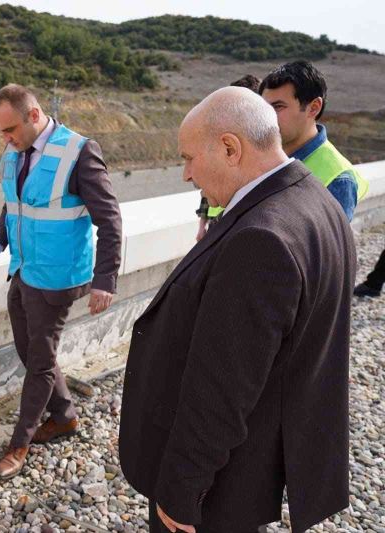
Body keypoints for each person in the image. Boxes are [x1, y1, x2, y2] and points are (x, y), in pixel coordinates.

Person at [119, 87, 355, 533]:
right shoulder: (316, 199)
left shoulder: (260, 239)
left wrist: (181, 491)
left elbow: (222, 388)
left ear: (230, 148)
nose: (187, 174)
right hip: (257, 462)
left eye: (189, 157)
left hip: (222, 487)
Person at [0, 84, 122, 480]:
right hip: (23, 270)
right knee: (31, 352)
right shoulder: (13, 153)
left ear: (34, 115)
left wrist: (105, 279)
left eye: (10, 130)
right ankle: (65, 415)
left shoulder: (78, 151)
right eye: (0, 132)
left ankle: (18, 445)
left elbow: (109, 219)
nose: (5, 139)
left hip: (57, 278)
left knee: (39, 362)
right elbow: (14, 203)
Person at [259, 60, 368, 221]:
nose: (266, 116)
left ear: (314, 107)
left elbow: (328, 245)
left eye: (278, 107)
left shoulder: (337, 179)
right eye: (263, 107)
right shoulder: (259, 156)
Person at [196, 75, 260, 241]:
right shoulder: (223, 140)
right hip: (217, 225)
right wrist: (202, 226)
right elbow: (207, 186)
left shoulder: (264, 149)